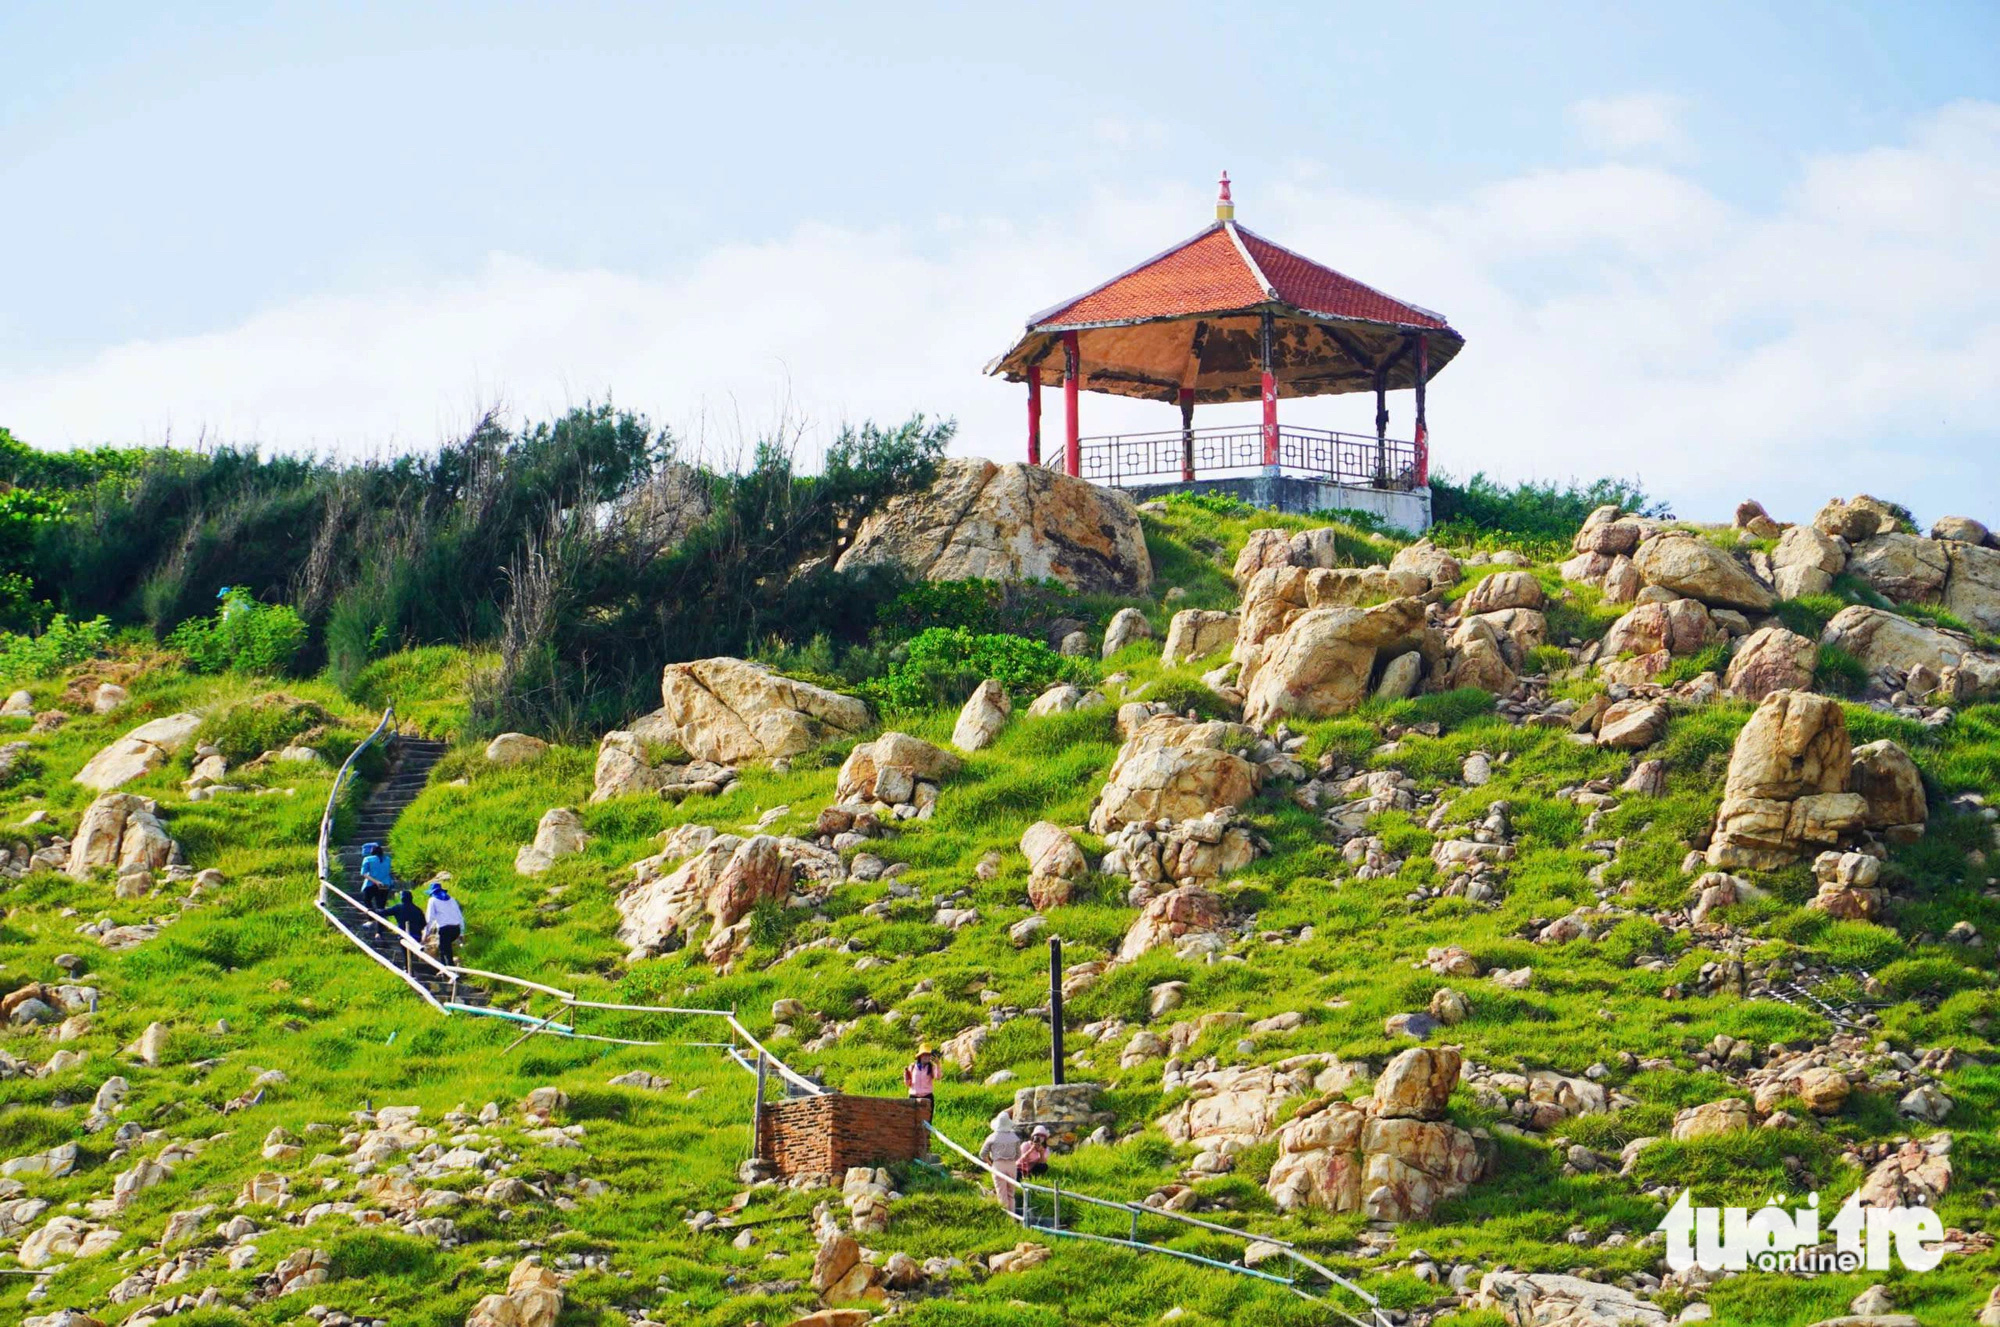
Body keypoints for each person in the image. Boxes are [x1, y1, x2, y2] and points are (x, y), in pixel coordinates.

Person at [978, 1111, 1022, 1215]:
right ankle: (1012, 1218)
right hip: (1011, 1165)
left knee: (1001, 1194)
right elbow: (1018, 1155)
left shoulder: (992, 1137)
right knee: (1011, 1194)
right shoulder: (1014, 1138)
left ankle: (1005, 1218)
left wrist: (989, 1162)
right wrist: (1012, 1160)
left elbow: (982, 1153)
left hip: (998, 1165)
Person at [425, 880, 465, 967]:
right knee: (443, 948)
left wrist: (426, 933)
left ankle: (451, 972)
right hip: (456, 929)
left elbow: (429, 918)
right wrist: (462, 932)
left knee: (446, 951)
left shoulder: (433, 900)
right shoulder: (452, 899)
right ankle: (443, 968)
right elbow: (460, 916)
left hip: (445, 929)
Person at [386, 889, 428, 972]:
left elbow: (385, 912)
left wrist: (373, 911)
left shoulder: (398, 907)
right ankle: (409, 968)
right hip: (416, 935)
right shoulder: (417, 910)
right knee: (410, 952)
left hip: (404, 935)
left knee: (405, 952)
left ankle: (407, 968)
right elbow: (424, 923)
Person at [903, 1044, 939, 1122]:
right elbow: (908, 1083)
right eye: (924, 1055)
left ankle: (926, 1134)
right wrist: (906, 1075)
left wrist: (938, 1064)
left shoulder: (931, 1067)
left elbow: (938, 1077)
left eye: (928, 1055)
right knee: (911, 1120)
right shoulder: (912, 1067)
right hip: (913, 1096)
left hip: (927, 1096)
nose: (926, 1057)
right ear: (920, 1056)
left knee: (927, 1121)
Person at [357, 843, 394, 913]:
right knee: (381, 906)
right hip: (384, 884)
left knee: (367, 900)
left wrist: (376, 882)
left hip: (371, 884)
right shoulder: (388, 859)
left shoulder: (368, 859)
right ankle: (380, 922)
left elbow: (363, 873)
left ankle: (371, 917)